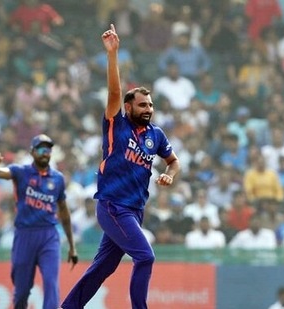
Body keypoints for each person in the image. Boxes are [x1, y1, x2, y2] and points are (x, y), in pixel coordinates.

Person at [61, 24, 180, 309]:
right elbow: (114, 91)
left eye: (150, 105)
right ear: (128, 108)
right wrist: (112, 55)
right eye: (142, 105)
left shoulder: (156, 135)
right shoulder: (117, 125)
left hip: (135, 210)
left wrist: (169, 174)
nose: (148, 109)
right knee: (145, 256)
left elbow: (174, 162)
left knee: (103, 268)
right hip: (113, 206)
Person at [0, 134, 78, 309]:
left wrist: (72, 247)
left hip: (48, 236)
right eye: (41, 149)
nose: (45, 153)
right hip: (25, 235)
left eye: (48, 149)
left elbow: (64, 213)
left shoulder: (57, 179)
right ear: (32, 152)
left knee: (51, 284)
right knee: (21, 292)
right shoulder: (20, 172)